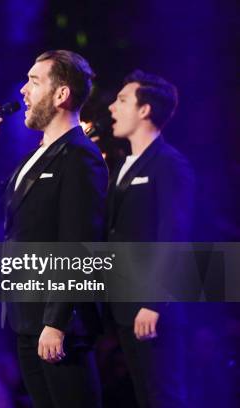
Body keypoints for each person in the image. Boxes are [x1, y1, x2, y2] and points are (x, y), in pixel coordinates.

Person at [0, 50, 106, 408]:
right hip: (26, 317)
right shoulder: (34, 156)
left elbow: (79, 244)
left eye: (34, 81)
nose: (23, 93)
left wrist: (57, 321)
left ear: (61, 95)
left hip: (57, 322)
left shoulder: (80, 156)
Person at [107, 70, 195, 407]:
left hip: (152, 307)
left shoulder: (170, 164)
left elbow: (174, 235)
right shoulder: (122, 166)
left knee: (163, 395)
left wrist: (154, 301)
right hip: (124, 305)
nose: (113, 108)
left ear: (144, 110)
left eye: (122, 100)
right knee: (144, 394)